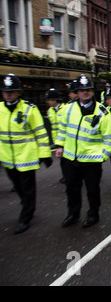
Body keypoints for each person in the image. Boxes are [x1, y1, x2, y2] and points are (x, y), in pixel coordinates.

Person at [55, 74, 111, 228]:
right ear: (78, 91)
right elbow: (63, 129)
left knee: (92, 190)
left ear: (92, 91)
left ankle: (93, 214)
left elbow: (109, 138)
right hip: (70, 158)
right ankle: (73, 214)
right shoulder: (68, 109)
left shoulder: (102, 112)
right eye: (81, 90)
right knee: (71, 189)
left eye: (88, 89)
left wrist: (103, 156)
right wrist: (60, 145)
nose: (85, 92)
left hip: (91, 160)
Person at [0, 74, 53, 234]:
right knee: (18, 187)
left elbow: (41, 132)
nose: (9, 94)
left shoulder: (29, 109)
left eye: (12, 91)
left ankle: (26, 216)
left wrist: (44, 154)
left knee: (28, 188)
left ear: (18, 92)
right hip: (8, 158)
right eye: (6, 91)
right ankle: (27, 205)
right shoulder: (0, 109)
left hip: (27, 157)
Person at [45, 88, 66, 184]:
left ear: (54, 100)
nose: (47, 102)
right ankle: (65, 175)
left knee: (68, 160)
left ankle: (68, 176)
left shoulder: (65, 108)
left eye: (49, 99)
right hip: (57, 139)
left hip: (67, 139)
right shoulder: (50, 111)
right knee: (62, 159)